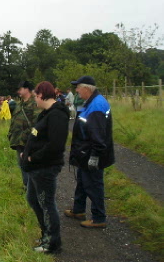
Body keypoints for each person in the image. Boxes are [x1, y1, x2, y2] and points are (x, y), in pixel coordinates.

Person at [21, 81, 69, 254]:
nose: (34, 100)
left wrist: (33, 156)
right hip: (36, 167)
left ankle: (52, 243)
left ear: (41, 95)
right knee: (34, 200)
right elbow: (38, 137)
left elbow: (55, 145)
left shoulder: (57, 115)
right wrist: (26, 154)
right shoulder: (46, 113)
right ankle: (46, 235)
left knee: (46, 204)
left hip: (45, 168)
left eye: (35, 96)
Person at [65, 76, 115, 228]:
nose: (77, 90)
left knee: (94, 185)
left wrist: (94, 157)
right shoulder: (92, 102)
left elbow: (98, 136)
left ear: (86, 88)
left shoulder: (97, 105)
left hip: (92, 155)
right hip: (84, 154)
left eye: (78, 87)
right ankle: (79, 210)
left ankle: (99, 218)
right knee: (82, 181)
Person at [8, 81, 40, 189]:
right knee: (22, 164)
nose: (18, 91)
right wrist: (11, 133)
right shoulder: (19, 104)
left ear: (27, 89)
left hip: (29, 139)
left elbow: (37, 123)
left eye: (20, 89)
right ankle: (26, 185)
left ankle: (33, 187)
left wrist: (27, 134)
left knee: (30, 164)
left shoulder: (35, 103)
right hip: (18, 140)